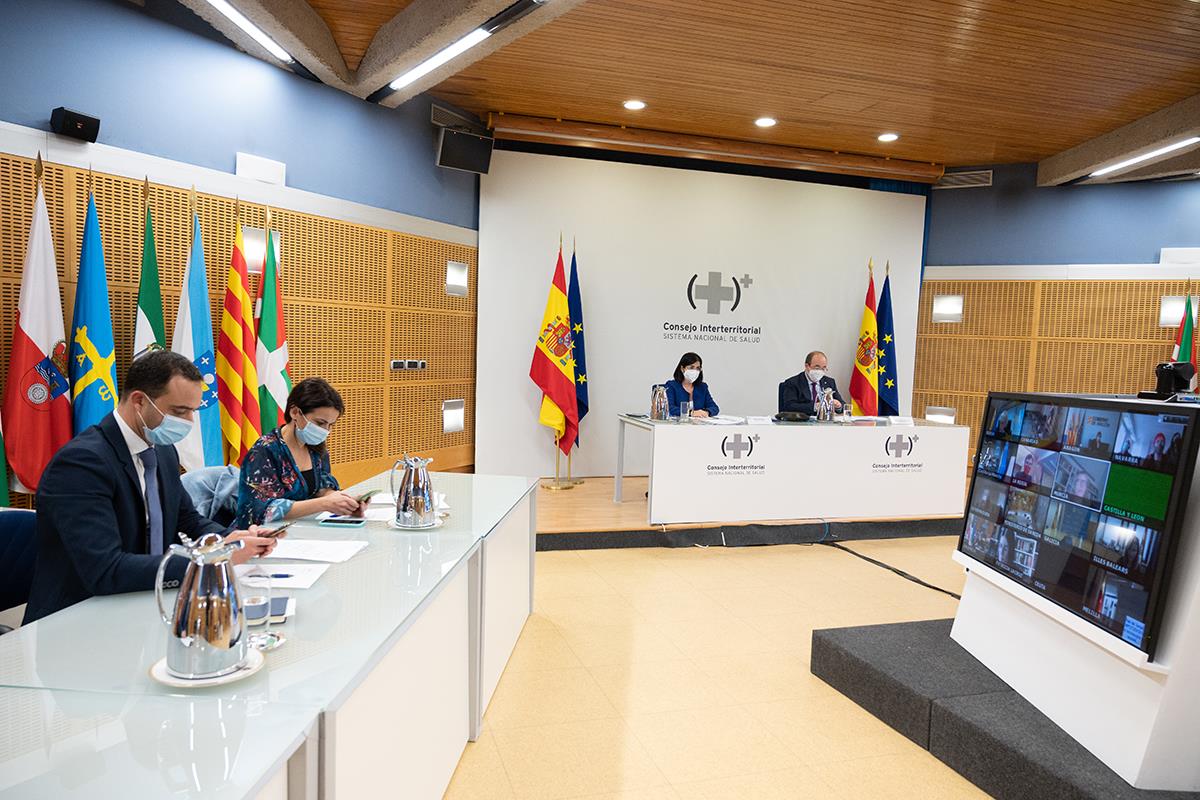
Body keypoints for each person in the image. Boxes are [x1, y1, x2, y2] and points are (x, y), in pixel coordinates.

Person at [24, 350, 277, 624]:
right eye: (179, 411)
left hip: (148, 601)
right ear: (139, 401)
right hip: (78, 620)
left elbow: (186, 519)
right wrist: (216, 557)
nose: (189, 422)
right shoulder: (81, 464)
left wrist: (231, 538)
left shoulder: (162, 451)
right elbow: (105, 570)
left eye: (192, 411)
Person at [236, 377, 364, 527]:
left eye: (331, 425)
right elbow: (260, 511)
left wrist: (343, 502)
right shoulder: (265, 450)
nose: (325, 431)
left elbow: (322, 487)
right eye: (320, 423)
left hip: (303, 528)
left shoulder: (315, 446)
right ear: (295, 412)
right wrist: (324, 503)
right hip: (263, 535)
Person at [779, 351, 844, 416]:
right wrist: (814, 407)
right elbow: (789, 406)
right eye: (817, 367)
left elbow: (843, 404)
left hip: (824, 422)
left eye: (824, 368)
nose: (820, 371)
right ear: (807, 366)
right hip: (802, 423)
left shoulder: (829, 382)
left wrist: (839, 406)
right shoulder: (792, 383)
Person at [663, 352, 719, 418]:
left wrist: (706, 412)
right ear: (682, 368)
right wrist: (691, 413)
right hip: (678, 425)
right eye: (691, 367)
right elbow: (670, 408)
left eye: (698, 368)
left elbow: (714, 408)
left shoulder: (703, 387)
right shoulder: (671, 386)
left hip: (699, 425)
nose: (695, 371)